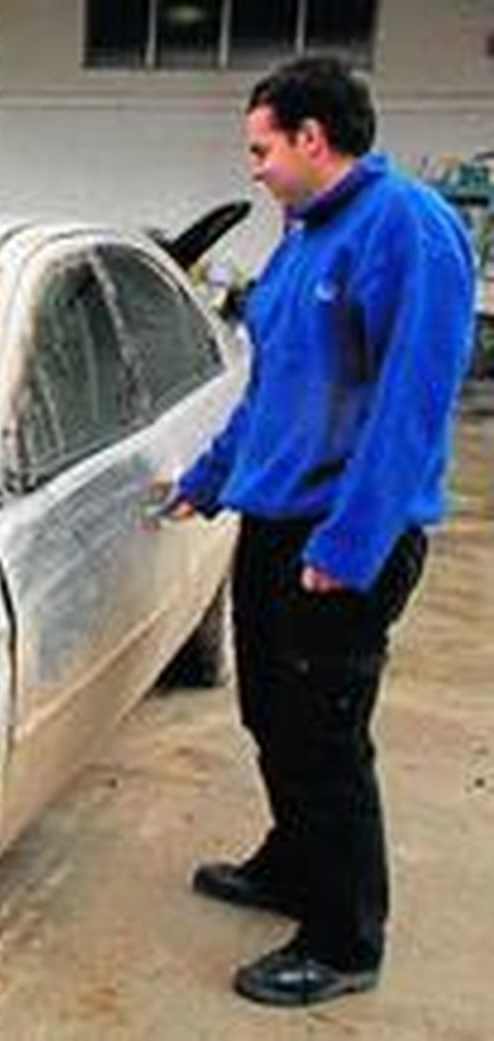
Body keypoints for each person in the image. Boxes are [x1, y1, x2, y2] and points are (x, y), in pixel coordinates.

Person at [168, 55, 475, 1007]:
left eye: (261, 148)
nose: (252, 167)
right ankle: (294, 863)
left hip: (343, 537)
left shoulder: (408, 229)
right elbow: (271, 390)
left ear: (312, 137)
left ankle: (345, 936)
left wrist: (351, 545)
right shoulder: (300, 239)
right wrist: (209, 479)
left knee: (327, 737)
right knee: (273, 714)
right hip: (277, 523)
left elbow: (413, 405)